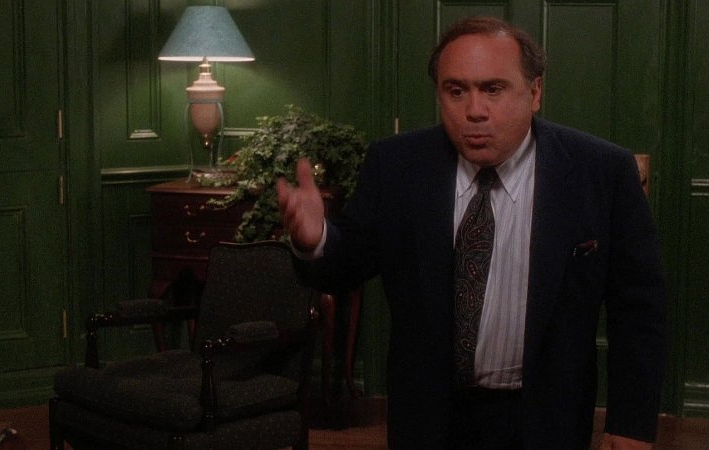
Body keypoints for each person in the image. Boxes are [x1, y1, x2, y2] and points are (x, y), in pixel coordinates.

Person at [277, 16, 667, 450]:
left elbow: (638, 309)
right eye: (456, 91)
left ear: (535, 92)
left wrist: (631, 424)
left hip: (547, 420)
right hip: (428, 420)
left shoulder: (601, 172)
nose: (475, 111)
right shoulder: (397, 165)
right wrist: (316, 240)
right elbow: (347, 263)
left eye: (493, 89)